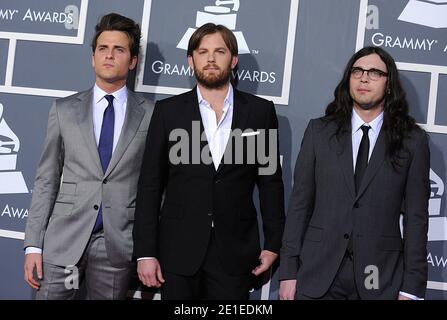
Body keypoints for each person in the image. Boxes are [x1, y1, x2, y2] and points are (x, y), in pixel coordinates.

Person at [133, 23, 285, 300]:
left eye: (220, 51)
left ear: (234, 59)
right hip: (177, 251)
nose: (211, 58)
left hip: (235, 251)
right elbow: (149, 186)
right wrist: (145, 251)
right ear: (191, 61)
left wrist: (274, 243)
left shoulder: (260, 112)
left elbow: (270, 182)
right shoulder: (168, 113)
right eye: (203, 52)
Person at [279, 46, 430, 300]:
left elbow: (416, 219)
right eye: (357, 71)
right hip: (317, 275)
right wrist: (288, 272)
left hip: (381, 279)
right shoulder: (319, 132)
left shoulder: (412, 141)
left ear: (389, 83)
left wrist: (411, 289)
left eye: (374, 72)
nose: (363, 78)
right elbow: (299, 206)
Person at [23, 13, 154, 299]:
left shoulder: (152, 115)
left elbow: (156, 186)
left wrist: (150, 248)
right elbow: (46, 179)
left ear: (132, 61)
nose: (109, 55)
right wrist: (33, 244)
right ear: (93, 57)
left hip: (117, 244)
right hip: (63, 243)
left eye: (119, 49)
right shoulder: (64, 110)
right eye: (103, 49)